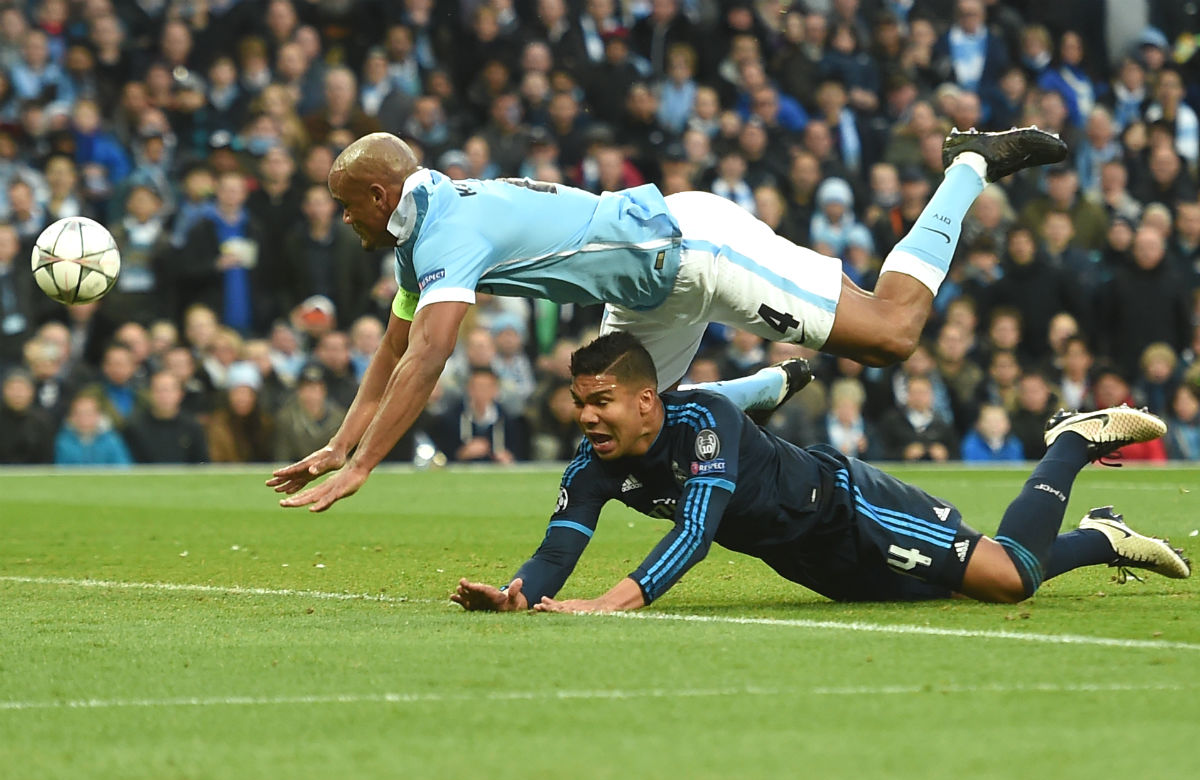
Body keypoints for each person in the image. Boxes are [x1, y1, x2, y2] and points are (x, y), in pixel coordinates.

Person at [270, 126, 1068, 512]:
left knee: (891, 335)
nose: (346, 224)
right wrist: (340, 443)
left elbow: (432, 356)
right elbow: (394, 346)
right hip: (650, 290)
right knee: (627, 440)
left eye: (347, 210)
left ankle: (968, 163)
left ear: (379, 196)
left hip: (694, 249)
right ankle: (760, 390)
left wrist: (367, 465)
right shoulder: (421, 229)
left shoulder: (446, 231)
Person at [450, 333, 1190, 614]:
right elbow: (557, 548)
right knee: (957, 591)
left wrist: (610, 603)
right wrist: (519, 596)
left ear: (647, 401)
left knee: (1009, 577)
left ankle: (1068, 443)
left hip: (852, 509)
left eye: (601, 401)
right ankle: (1102, 533)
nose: (585, 416)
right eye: (580, 402)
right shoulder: (596, 460)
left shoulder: (704, 421)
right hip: (811, 562)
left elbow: (698, 530)